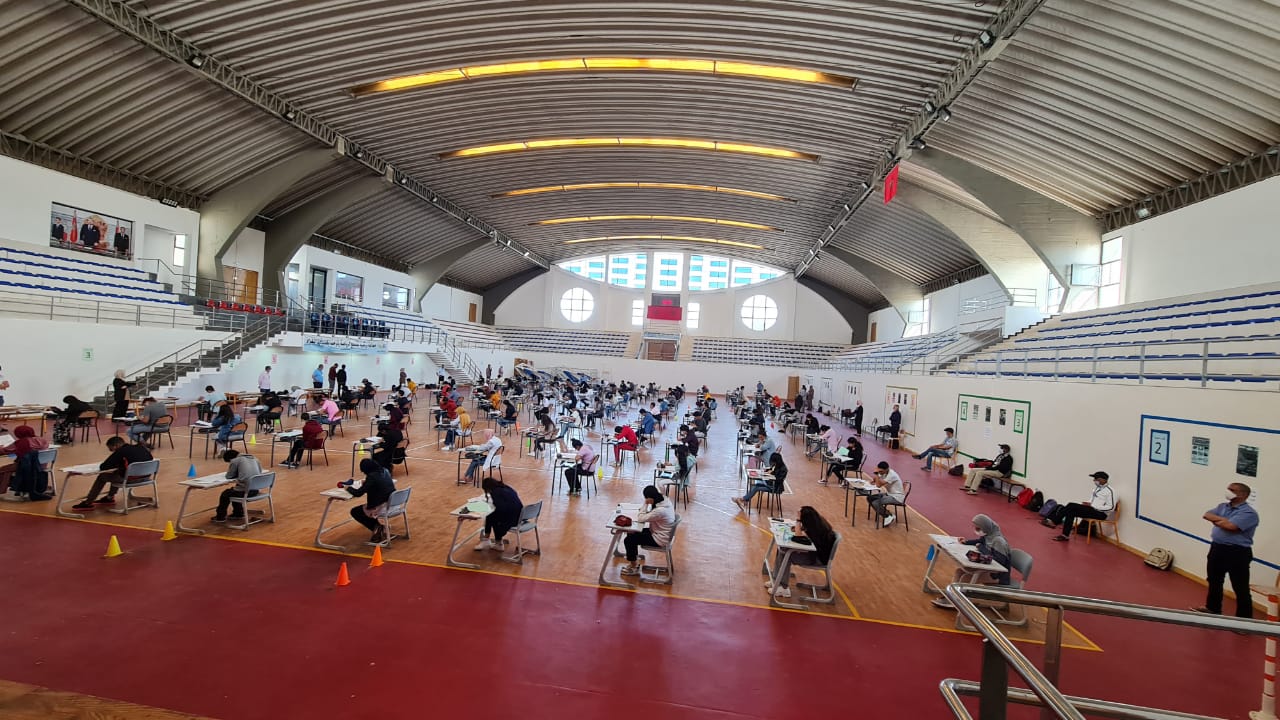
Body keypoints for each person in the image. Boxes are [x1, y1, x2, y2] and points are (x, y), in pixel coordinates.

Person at [1192, 482, 1260, 619]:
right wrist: (1223, 520)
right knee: (1214, 580)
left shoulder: (1249, 513)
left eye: (1232, 490)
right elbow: (1207, 515)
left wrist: (1220, 521)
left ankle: (1244, 619)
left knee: (1240, 587)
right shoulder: (1222, 506)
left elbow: (1231, 527)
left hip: (1237, 553)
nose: (1228, 491)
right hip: (1217, 548)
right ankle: (1213, 608)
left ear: (1243, 494)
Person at [931, 514, 1013, 609]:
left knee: (966, 578)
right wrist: (967, 542)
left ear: (985, 527)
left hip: (998, 576)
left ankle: (956, 602)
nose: (976, 530)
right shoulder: (989, 534)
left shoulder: (999, 541)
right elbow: (980, 541)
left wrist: (982, 548)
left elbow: (999, 561)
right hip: (989, 570)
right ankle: (951, 596)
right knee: (959, 571)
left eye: (978, 528)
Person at [765, 506, 836, 599]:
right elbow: (802, 531)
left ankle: (783, 588)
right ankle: (776, 580)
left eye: (800, 517)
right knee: (782, 549)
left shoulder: (815, 528)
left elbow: (798, 537)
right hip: (815, 554)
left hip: (817, 559)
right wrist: (797, 527)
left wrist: (798, 521)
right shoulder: (816, 522)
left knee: (786, 554)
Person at [70, 436, 153, 510]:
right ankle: (109, 497)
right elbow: (151, 459)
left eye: (111, 449)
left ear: (115, 446)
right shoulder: (141, 448)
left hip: (131, 479)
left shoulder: (120, 451)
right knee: (117, 473)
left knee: (102, 477)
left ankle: (88, 502)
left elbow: (104, 466)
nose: (111, 451)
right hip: (146, 477)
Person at [619, 485, 678, 576]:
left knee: (629, 540)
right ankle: (634, 559)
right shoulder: (665, 500)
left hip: (659, 538)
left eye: (646, 498)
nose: (646, 500)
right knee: (631, 532)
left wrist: (645, 504)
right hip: (661, 533)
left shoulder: (660, 511)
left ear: (650, 498)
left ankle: (634, 566)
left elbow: (640, 518)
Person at [1043, 471, 1116, 541]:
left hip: (1101, 514)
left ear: (1103, 480)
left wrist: (1093, 506)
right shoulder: (1097, 489)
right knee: (1070, 512)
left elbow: (1111, 507)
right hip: (1092, 510)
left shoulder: (1110, 491)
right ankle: (1065, 535)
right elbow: (1092, 501)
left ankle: (1054, 521)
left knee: (1071, 505)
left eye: (1096, 479)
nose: (1094, 480)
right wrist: (1088, 503)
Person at [343, 458, 396, 544]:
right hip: (393, 504)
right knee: (362, 509)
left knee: (355, 511)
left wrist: (349, 488)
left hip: (381, 507)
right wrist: (367, 483)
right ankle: (378, 527)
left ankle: (377, 527)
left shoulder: (372, 477)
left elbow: (358, 493)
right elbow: (379, 484)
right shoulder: (385, 470)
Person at [212, 449, 263, 523]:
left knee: (225, 494)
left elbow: (229, 476)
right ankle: (238, 513)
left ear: (230, 459)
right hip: (255, 489)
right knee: (235, 489)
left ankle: (220, 516)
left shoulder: (235, 461)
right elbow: (260, 472)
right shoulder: (254, 458)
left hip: (246, 492)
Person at [1, 425, 51, 499]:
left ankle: (10, 487)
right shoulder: (43, 440)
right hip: (42, 466)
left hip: (25, 467)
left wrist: (1, 447)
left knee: (2, 469)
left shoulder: (21, 443)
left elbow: (4, 451)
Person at [475, 476, 521, 551]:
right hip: (519, 516)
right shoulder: (506, 487)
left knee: (491, 516)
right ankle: (497, 542)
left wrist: (488, 507)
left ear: (488, 488)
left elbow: (500, 508)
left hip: (512, 520)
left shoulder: (496, 492)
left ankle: (489, 540)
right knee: (492, 515)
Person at [869, 461, 906, 527]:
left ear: (887, 469)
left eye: (881, 471)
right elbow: (876, 479)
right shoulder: (884, 472)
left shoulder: (892, 475)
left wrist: (876, 474)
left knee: (876, 503)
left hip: (897, 497)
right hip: (889, 494)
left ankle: (887, 516)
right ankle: (889, 514)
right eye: (879, 471)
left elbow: (878, 485)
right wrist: (875, 479)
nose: (880, 473)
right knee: (870, 498)